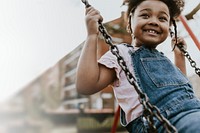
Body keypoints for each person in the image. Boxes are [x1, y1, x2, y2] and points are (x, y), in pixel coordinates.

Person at [76, 0, 200, 132]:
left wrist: (179, 56)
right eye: (145, 15)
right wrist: (91, 35)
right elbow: (86, 85)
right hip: (160, 120)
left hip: (193, 110)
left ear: (169, 26)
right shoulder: (122, 54)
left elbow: (179, 88)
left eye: (162, 18)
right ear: (130, 21)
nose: (154, 21)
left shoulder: (164, 58)